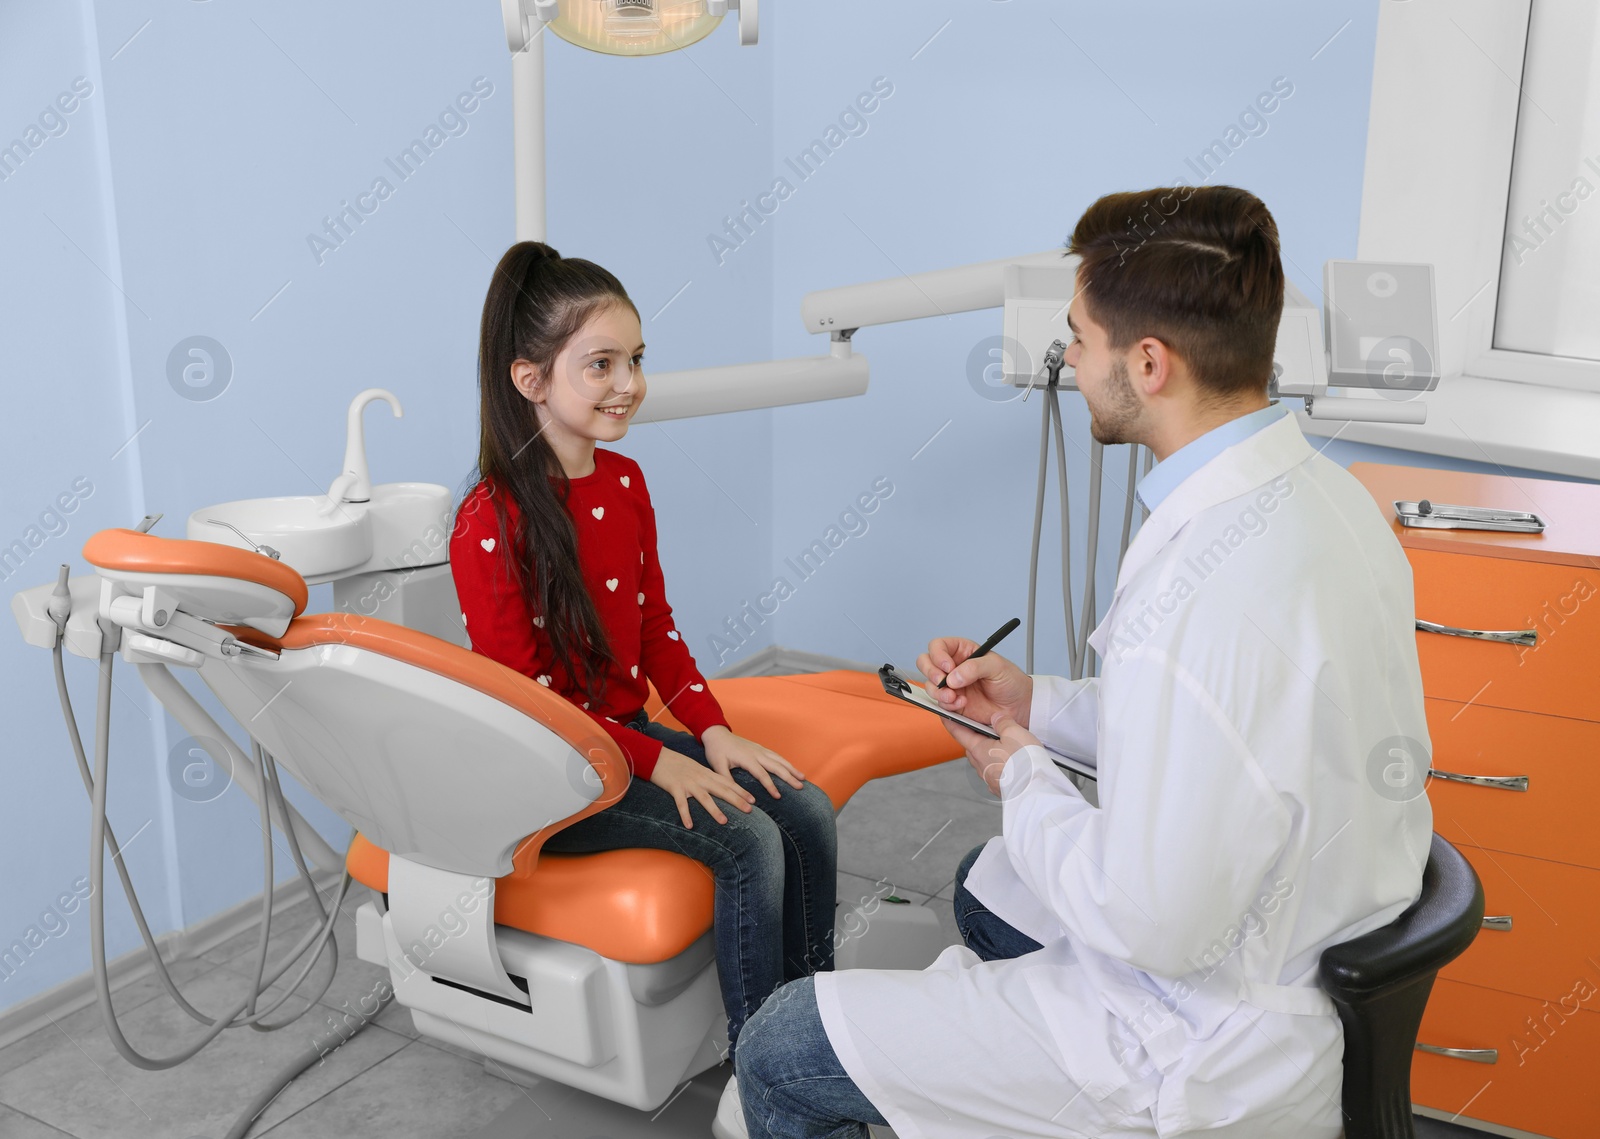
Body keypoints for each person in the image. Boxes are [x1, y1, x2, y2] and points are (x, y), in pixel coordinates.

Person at [730, 185, 1434, 1138]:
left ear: (1148, 363)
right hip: (1304, 924)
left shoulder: (1206, 594)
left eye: (1079, 336)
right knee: (989, 884)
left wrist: (1017, 769)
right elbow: (1213, 727)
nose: (1066, 355)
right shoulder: (1334, 502)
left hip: (1201, 1036)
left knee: (782, 1047)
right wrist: (1035, 702)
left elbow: (1153, 922)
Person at [448, 241, 840, 1118]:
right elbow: (533, 706)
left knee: (803, 807)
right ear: (530, 379)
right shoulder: (491, 522)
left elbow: (658, 632)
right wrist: (662, 764)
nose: (628, 382)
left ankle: (820, 1039)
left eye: (635, 360)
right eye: (601, 364)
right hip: (553, 777)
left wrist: (710, 729)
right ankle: (761, 1082)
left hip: (623, 743)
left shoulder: (624, 482)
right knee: (748, 842)